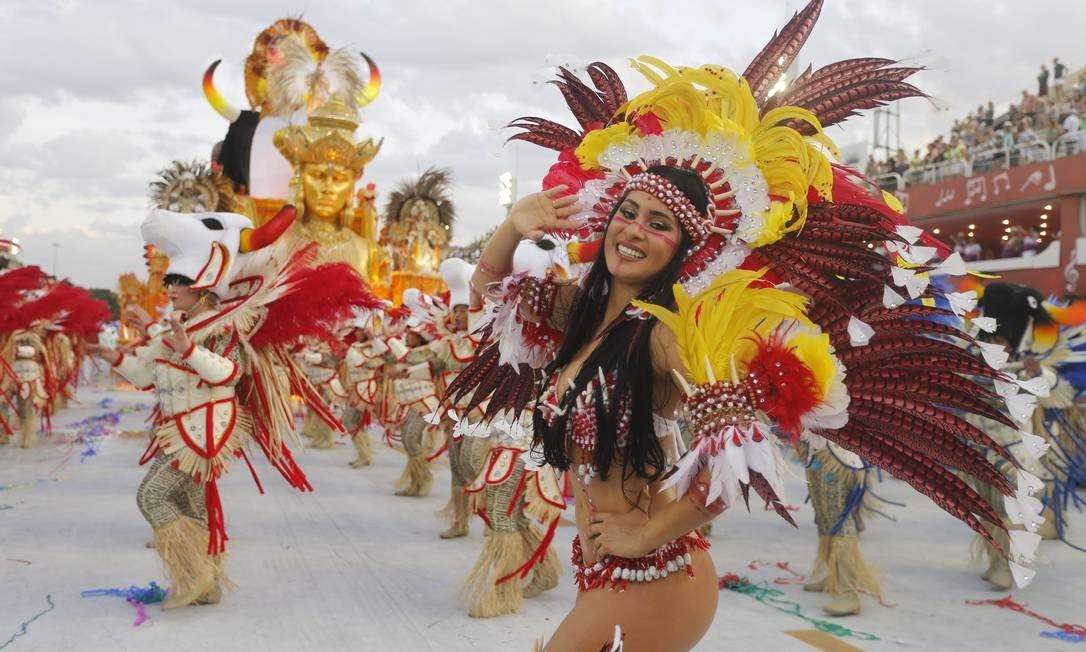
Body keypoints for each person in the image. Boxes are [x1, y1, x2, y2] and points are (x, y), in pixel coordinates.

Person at [457, 7, 1036, 643]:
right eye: (630, 212)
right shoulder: (578, 314)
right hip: (603, 574)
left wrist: (645, 532)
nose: (635, 231)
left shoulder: (671, 334)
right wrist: (516, 223)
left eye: (660, 225)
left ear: (681, 249)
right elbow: (488, 297)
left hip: (659, 576)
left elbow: (734, 466)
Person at [88, 205, 378, 609]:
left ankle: (196, 573)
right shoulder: (180, 327)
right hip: (179, 428)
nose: (169, 288)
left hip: (204, 429)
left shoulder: (223, 327)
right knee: (189, 504)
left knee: (151, 498)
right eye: (169, 280)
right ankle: (208, 583)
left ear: (204, 287)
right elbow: (142, 376)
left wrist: (187, 348)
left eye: (178, 281)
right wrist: (109, 355)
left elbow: (228, 373)